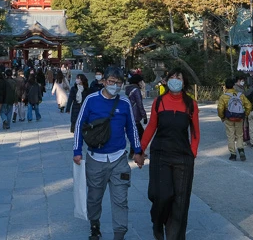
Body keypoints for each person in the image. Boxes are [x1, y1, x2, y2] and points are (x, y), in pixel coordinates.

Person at [74, 67, 142, 240]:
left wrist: (138, 150)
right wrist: (77, 150)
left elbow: (132, 129)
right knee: (94, 197)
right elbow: (79, 125)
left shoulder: (124, 102)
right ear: (103, 81)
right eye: (111, 81)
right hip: (95, 159)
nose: (115, 85)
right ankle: (94, 225)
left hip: (118, 158)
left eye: (118, 82)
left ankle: (119, 234)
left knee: (121, 199)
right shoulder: (91, 100)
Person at [138, 69, 200, 240]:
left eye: (178, 77)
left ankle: (175, 237)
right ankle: (157, 223)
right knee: (161, 195)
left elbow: (195, 132)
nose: (174, 80)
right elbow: (151, 127)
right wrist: (141, 150)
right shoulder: (159, 102)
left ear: (184, 81)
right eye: (171, 77)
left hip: (182, 156)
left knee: (180, 202)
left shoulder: (191, 104)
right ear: (166, 81)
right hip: (160, 155)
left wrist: (192, 153)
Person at [217, 77, 252, 161]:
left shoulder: (223, 96)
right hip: (239, 118)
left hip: (229, 118)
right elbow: (249, 105)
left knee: (231, 136)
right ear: (233, 86)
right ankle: (241, 150)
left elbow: (220, 108)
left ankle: (233, 154)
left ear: (225, 86)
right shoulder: (241, 95)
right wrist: (245, 115)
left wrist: (222, 117)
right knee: (239, 135)